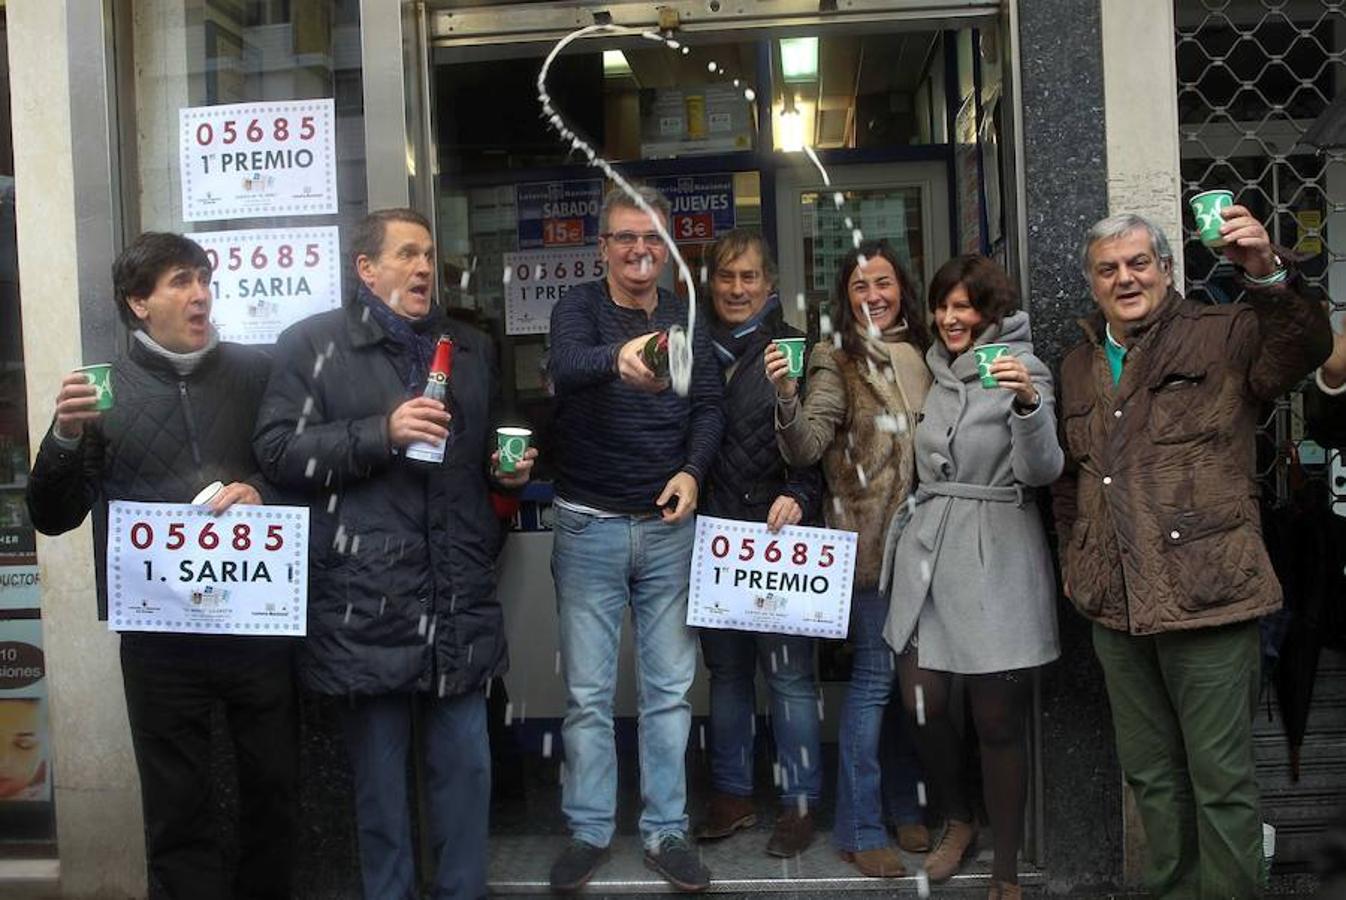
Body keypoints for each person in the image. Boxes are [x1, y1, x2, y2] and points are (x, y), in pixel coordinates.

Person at [253, 208, 534, 900]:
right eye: (406, 255)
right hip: (364, 605)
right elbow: (278, 453)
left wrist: (509, 470)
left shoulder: (469, 347)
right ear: (365, 269)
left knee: (467, 778)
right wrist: (382, 431)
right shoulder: (310, 344)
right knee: (380, 798)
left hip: (456, 597)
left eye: (429, 256)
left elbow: (486, 450)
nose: (422, 269)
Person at [1053, 209, 1332, 898]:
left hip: (1210, 599)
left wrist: (1265, 270)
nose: (1126, 278)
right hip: (1116, 607)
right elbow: (1071, 481)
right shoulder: (1078, 364)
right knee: (1151, 778)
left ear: (1168, 270)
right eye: (1109, 269)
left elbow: (1304, 348)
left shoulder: (1224, 334)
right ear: (1092, 283)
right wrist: (1077, 560)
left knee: (1222, 782)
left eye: (1139, 263)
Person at [25, 231, 296, 899]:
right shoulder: (104, 391)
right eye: (180, 281)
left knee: (274, 792)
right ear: (138, 303)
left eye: (203, 278)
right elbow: (53, 515)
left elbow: (295, 469)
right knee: (177, 809)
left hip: (254, 625)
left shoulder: (255, 372)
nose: (200, 293)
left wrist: (263, 491)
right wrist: (63, 437)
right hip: (160, 641)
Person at [546, 186, 724, 893]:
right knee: (587, 695)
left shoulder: (687, 316)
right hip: (587, 524)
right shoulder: (577, 310)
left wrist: (692, 471)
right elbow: (564, 367)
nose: (639, 250)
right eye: (625, 238)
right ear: (603, 248)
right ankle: (589, 830)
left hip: (668, 528)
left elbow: (708, 406)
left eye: (651, 237)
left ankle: (665, 831)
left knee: (670, 692)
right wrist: (616, 357)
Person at [880, 254, 1063, 900]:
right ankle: (961, 818)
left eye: (964, 306)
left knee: (996, 721)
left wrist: (1027, 403)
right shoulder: (929, 370)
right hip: (929, 553)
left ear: (990, 311)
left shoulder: (1026, 368)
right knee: (920, 701)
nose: (950, 318)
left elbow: (1042, 470)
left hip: (996, 551)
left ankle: (1006, 868)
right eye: (942, 306)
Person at [768, 238, 932, 877]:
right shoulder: (833, 361)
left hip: (930, 549)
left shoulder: (931, 354)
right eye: (861, 287)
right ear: (846, 298)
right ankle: (860, 827)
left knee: (913, 687)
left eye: (884, 283)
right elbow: (806, 446)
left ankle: (904, 803)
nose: (874, 297)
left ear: (901, 289)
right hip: (869, 551)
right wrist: (786, 395)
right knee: (875, 682)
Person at [692, 228, 824, 857]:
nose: (738, 289)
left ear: (771, 284)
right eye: (726, 277)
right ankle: (732, 794)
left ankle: (799, 803)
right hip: (713, 537)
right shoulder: (688, 346)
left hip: (778, 536)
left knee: (791, 677)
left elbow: (822, 440)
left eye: (750, 278)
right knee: (727, 675)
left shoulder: (796, 346)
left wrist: (801, 490)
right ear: (709, 283)